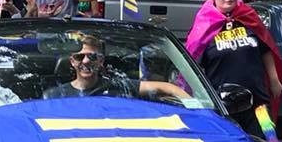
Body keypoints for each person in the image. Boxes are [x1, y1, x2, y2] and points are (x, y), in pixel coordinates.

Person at [185, 0, 282, 137]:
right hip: (223, 107)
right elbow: (192, 65)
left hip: (258, 103)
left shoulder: (248, 17)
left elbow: (266, 49)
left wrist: (274, 80)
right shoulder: (204, 26)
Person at [44, 36, 190, 100]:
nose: (86, 61)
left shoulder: (118, 86)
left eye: (93, 57)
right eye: (79, 57)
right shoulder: (54, 96)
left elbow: (167, 88)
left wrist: (195, 105)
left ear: (101, 60)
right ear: (72, 61)